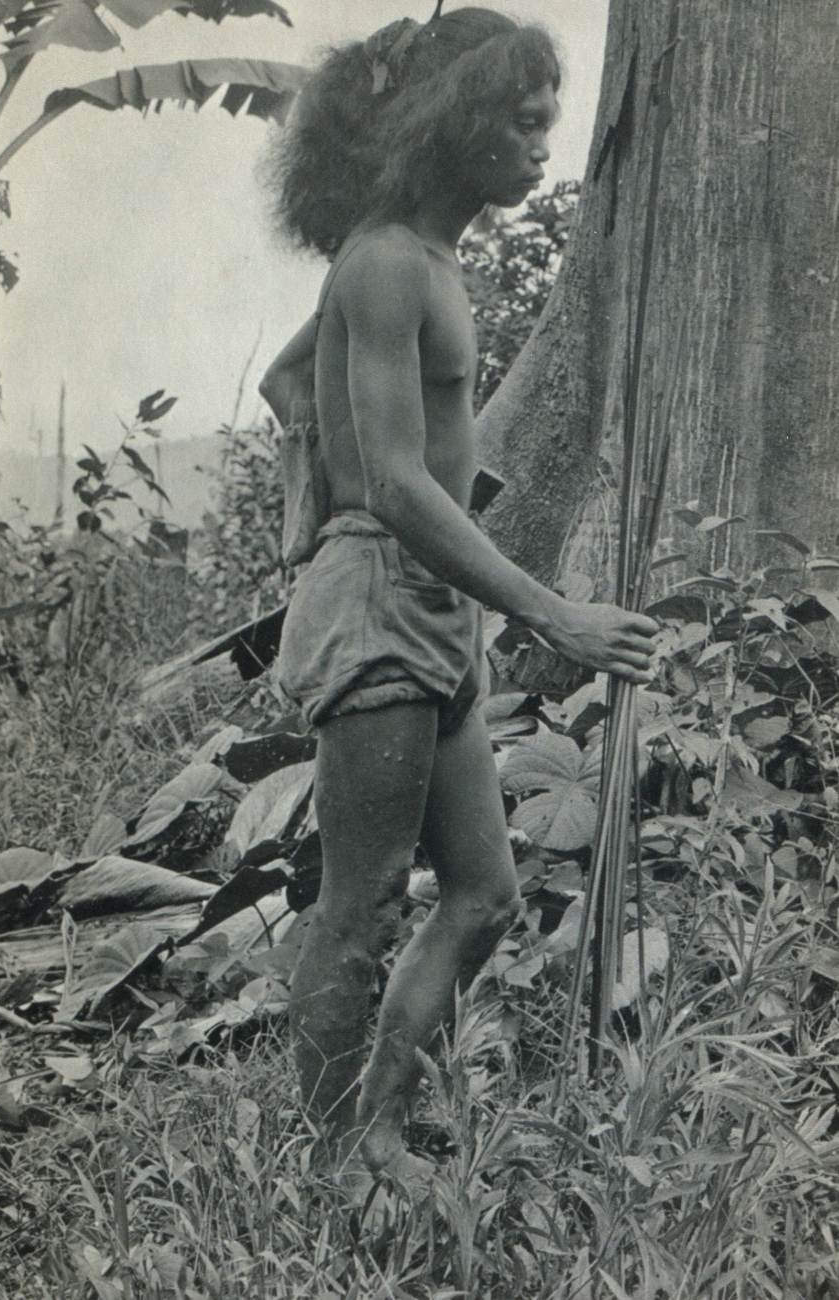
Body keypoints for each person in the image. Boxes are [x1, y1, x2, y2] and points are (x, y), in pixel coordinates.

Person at [261, 5, 657, 1189]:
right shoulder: (386, 261)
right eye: (522, 124)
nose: (542, 146)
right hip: (380, 595)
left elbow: (292, 373)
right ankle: (334, 1158)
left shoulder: (423, 261)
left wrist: (299, 462)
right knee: (366, 897)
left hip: (431, 609)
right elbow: (391, 481)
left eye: (549, 124)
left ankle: (373, 1125)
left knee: (482, 893)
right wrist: (552, 612)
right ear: (455, 126)